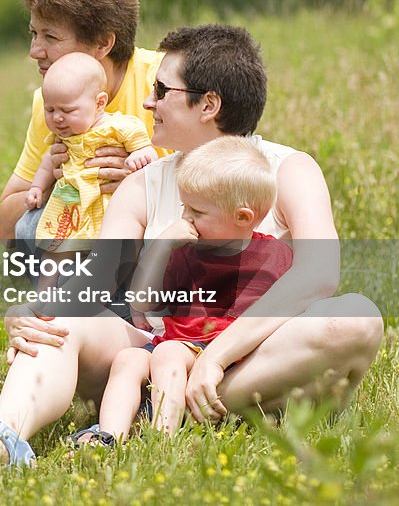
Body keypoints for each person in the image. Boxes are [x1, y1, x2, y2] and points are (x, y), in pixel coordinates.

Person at [0, 23, 382, 469]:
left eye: (163, 91)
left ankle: (167, 404)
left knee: (355, 318)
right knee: (58, 320)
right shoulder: (144, 183)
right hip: (157, 347)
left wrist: (217, 357)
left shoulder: (287, 169)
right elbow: (98, 282)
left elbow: (319, 273)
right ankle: (0, 434)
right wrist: (34, 309)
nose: (148, 100)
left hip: (258, 351)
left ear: (209, 105)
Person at [82, 136, 292, 447]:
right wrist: (161, 248)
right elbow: (142, 304)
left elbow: (284, 313)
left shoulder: (275, 255)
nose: (185, 219)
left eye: (196, 211)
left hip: (226, 352)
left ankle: (161, 442)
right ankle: (108, 436)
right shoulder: (185, 251)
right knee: (127, 360)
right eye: (184, 207)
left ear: (242, 217)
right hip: (179, 343)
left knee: (167, 353)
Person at [0, 0, 171, 246]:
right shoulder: (53, 103)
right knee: (33, 225)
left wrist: (143, 187)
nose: (34, 51)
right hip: (83, 249)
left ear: (103, 43)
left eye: (50, 37)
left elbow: (231, 187)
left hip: (158, 242)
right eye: (34, 34)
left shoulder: (167, 83)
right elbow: (8, 225)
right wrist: (55, 180)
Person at [24, 53, 157, 253]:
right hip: (70, 210)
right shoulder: (63, 136)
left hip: (107, 209)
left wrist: (139, 156)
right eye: (50, 110)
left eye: (67, 111)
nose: (58, 118)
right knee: (52, 254)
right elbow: (48, 161)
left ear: (99, 103)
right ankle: (46, 285)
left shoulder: (119, 126)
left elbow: (148, 152)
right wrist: (37, 187)